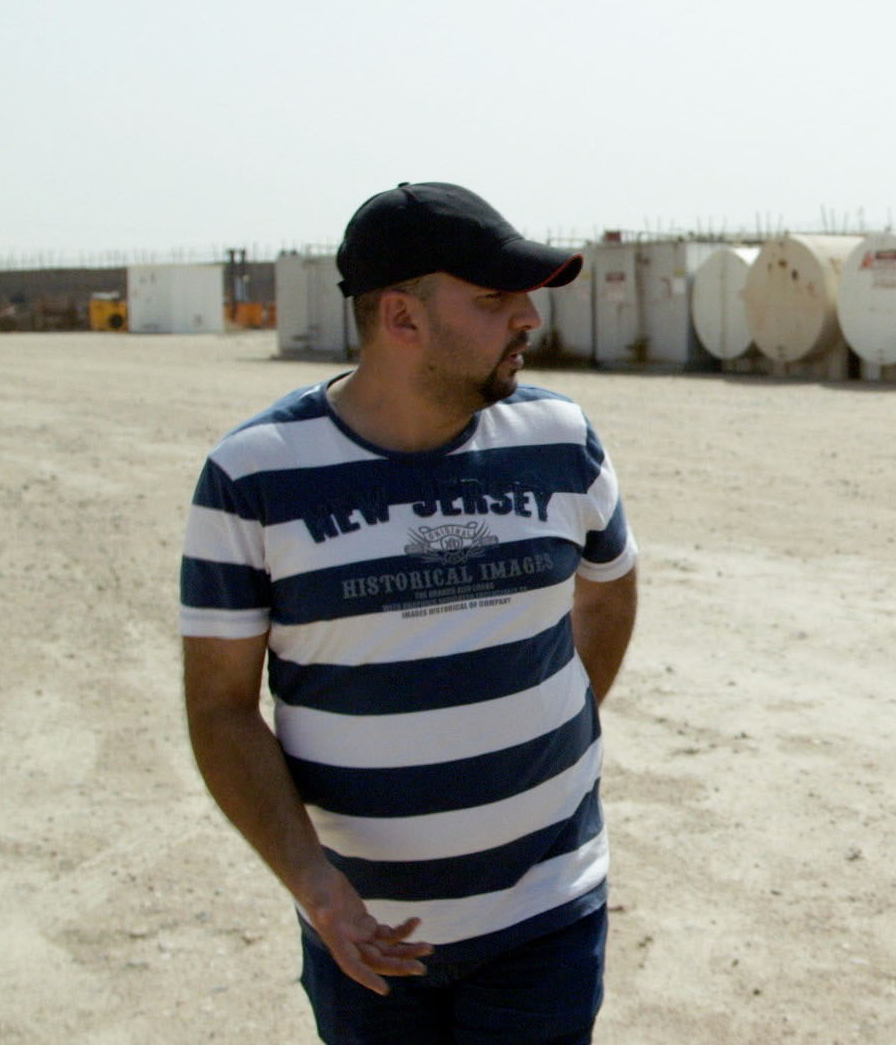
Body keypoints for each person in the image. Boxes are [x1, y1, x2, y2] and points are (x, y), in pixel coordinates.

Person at [181, 182, 639, 1043]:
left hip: (548, 915)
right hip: (367, 936)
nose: (529, 319)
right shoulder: (252, 478)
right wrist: (316, 887)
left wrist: (552, 728)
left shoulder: (560, 439)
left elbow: (609, 588)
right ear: (402, 319)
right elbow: (218, 706)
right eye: (494, 298)